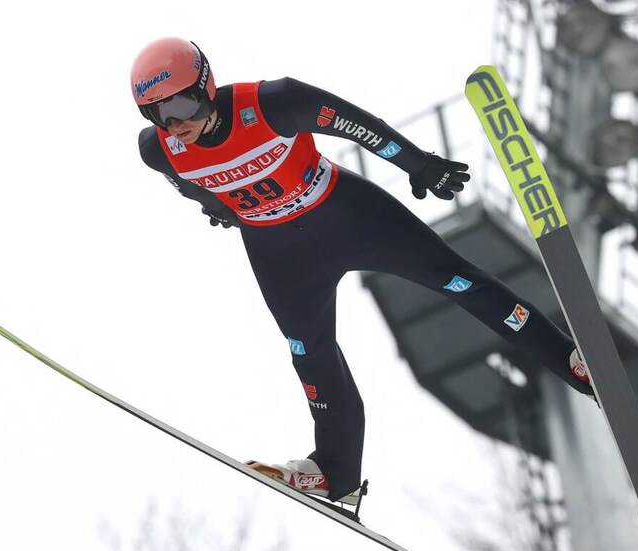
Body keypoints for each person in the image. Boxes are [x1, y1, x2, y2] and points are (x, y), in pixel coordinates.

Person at [132, 37, 595, 505]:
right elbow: (190, 184)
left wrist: (417, 164)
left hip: (348, 216)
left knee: (458, 280)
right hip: (279, 252)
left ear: (206, 84)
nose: (174, 123)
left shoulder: (272, 102)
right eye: (157, 113)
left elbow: (358, 126)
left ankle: (573, 363)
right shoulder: (158, 149)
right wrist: (219, 207)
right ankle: (335, 472)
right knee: (307, 350)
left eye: (182, 103)